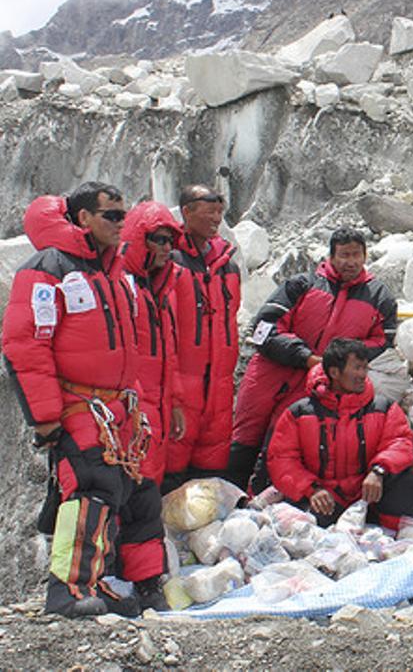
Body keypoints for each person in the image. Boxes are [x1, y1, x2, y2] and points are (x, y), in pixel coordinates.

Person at [2, 183, 167, 616]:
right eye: (111, 215)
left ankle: (133, 585)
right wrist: (44, 419)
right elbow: (26, 346)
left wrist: (141, 401)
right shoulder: (47, 269)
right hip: (80, 405)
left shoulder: (115, 272)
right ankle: (68, 591)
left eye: (123, 214)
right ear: (82, 219)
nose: (121, 223)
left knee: (137, 492)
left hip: (121, 408)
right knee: (91, 489)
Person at [232, 227, 398, 491]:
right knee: (244, 438)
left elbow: (382, 341)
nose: (351, 262)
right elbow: (264, 327)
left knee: (286, 443)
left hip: (322, 383)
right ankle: (230, 495)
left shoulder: (379, 297)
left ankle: (265, 500)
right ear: (330, 257)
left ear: (366, 256)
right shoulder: (302, 284)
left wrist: (339, 360)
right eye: (344, 255)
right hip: (271, 373)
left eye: (356, 255)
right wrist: (304, 356)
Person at [267, 338, 413, 528]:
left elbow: (400, 442)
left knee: (409, 484)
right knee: (304, 527)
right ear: (334, 372)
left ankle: (392, 536)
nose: (363, 375)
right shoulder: (299, 413)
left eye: (365, 368)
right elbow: (282, 459)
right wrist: (312, 489)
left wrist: (379, 471)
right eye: (357, 368)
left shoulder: (384, 408)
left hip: (369, 494)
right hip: (325, 498)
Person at [169, 184, 240, 491]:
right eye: (209, 211)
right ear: (186, 211)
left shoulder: (229, 266)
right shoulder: (169, 260)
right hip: (182, 386)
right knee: (170, 470)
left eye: (220, 213)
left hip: (220, 386)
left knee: (209, 476)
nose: (216, 219)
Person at [120, 201, 186, 487]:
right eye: (158, 239)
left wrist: (176, 403)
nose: (166, 247)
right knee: (132, 484)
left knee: (148, 485)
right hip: (132, 408)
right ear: (138, 239)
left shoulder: (158, 289)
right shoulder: (122, 285)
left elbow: (169, 354)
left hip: (156, 404)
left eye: (170, 240)